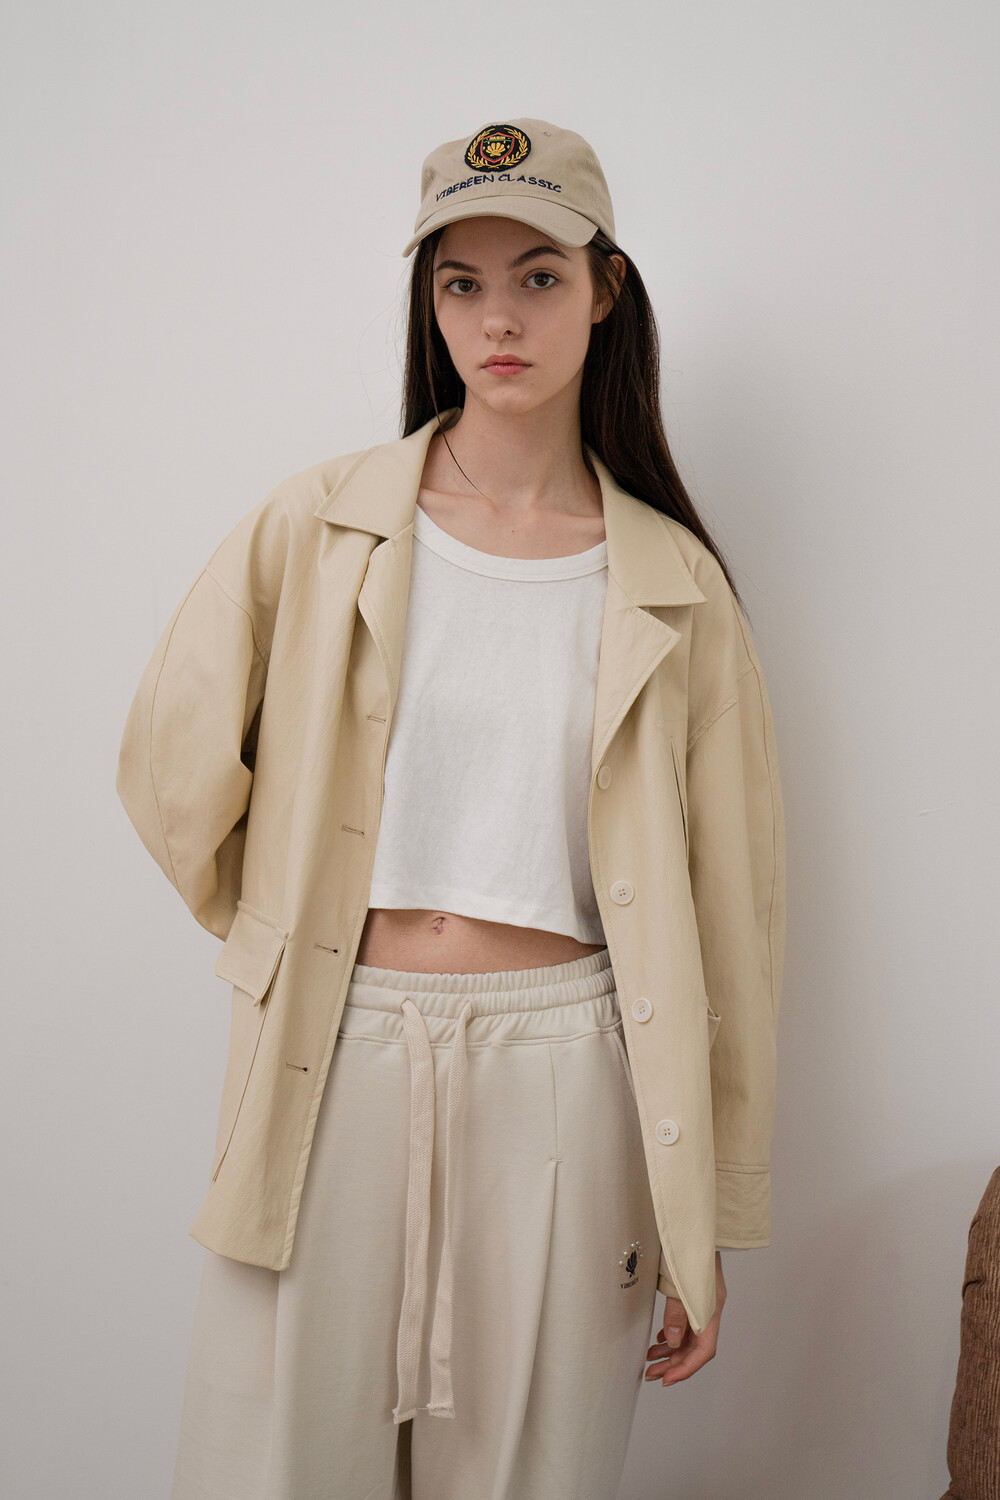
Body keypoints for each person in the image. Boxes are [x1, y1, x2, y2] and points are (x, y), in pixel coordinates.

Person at [116, 117, 787, 1500]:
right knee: (281, 1467)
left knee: (533, 1466)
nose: (500, 319)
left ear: (606, 291)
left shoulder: (675, 586)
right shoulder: (317, 526)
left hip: (570, 1073)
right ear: (428, 302)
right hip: (335, 1049)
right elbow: (169, 763)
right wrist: (281, 927)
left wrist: (703, 1212)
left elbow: (737, 920)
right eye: (461, 282)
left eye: (539, 276)